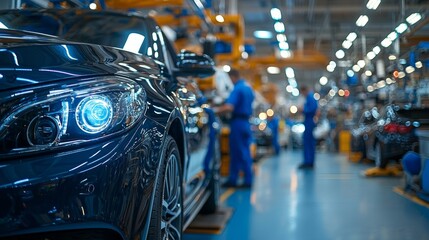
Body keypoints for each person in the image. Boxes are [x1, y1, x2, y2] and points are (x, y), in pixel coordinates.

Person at [214, 68, 255, 187]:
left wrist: (215, 111)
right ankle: (238, 179)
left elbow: (229, 107)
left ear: (232, 77)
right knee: (243, 151)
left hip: (238, 123)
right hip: (246, 123)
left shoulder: (237, 89)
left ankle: (243, 180)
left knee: (239, 152)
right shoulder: (248, 88)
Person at [298, 85, 318, 169]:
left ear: (304, 91)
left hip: (309, 121)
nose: (302, 94)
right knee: (307, 142)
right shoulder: (309, 98)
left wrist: (303, 110)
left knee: (308, 142)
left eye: (302, 93)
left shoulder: (310, 98)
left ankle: (309, 162)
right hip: (307, 121)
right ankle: (308, 161)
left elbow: (313, 108)